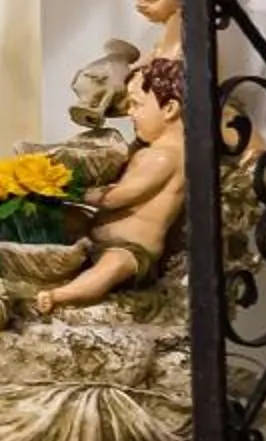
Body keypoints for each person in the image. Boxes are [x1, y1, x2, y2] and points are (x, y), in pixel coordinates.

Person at [33, 56, 188, 314]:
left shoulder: (164, 157)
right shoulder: (150, 149)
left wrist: (77, 193)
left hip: (132, 251)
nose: (129, 113)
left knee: (112, 267)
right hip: (98, 237)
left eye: (136, 105)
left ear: (170, 109)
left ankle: (60, 295)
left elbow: (119, 197)